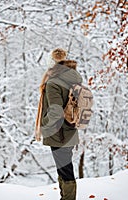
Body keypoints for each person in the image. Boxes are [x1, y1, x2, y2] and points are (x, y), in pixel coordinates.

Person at [35, 48, 82, 200]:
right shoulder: (72, 78)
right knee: (64, 168)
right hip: (70, 130)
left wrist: (44, 123)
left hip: (58, 133)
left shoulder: (53, 83)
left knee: (65, 170)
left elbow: (55, 111)